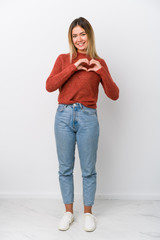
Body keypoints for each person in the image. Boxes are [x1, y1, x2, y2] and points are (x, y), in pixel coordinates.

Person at [45, 17, 119, 232]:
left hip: (88, 117)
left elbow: (114, 95)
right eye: (75, 35)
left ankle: (88, 213)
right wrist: (74, 66)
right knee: (65, 168)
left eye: (82, 34)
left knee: (88, 169)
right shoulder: (63, 59)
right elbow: (50, 86)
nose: (79, 39)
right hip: (63, 116)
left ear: (89, 35)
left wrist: (100, 70)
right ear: (71, 38)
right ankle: (68, 212)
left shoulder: (100, 63)